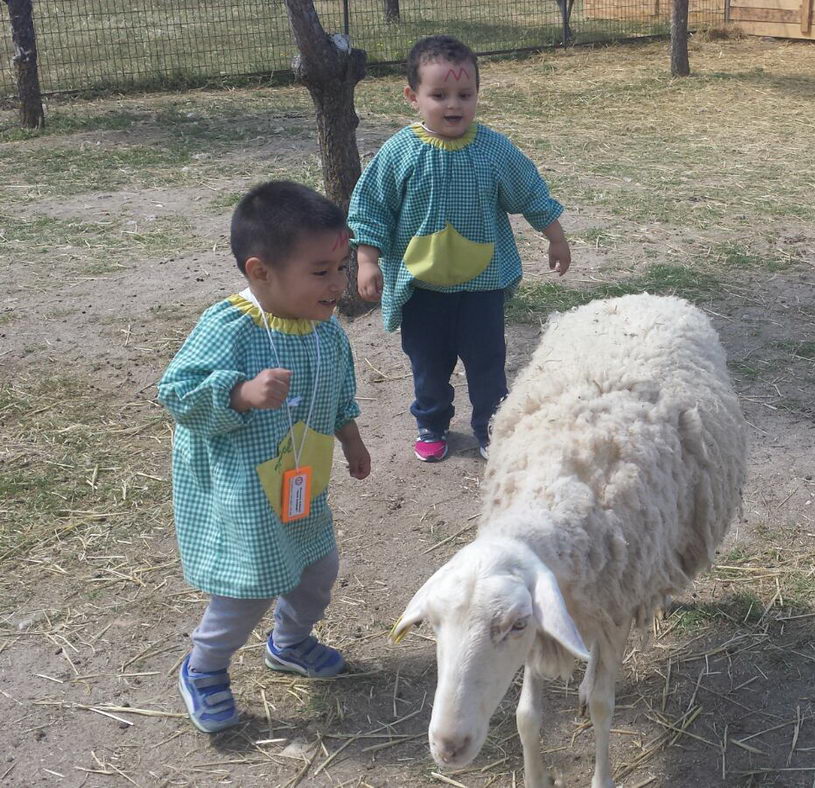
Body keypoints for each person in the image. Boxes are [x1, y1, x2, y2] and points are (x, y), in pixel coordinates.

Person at [157, 181, 371, 733]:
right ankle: (203, 670)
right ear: (261, 272)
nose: (338, 283)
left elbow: (338, 391)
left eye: (342, 267)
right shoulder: (229, 326)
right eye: (321, 272)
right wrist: (239, 392)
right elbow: (177, 392)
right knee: (247, 589)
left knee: (317, 569)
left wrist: (350, 437)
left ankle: (291, 643)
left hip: (301, 482)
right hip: (242, 493)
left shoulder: (325, 332)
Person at [350, 34, 571, 463]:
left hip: (481, 286)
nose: (454, 105)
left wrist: (555, 235)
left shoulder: (493, 149)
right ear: (413, 96)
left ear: (476, 95)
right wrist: (366, 259)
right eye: (440, 95)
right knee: (428, 365)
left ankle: (492, 427)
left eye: (464, 94)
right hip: (422, 288)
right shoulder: (399, 153)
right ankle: (431, 423)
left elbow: (529, 191)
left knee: (488, 362)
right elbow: (371, 207)